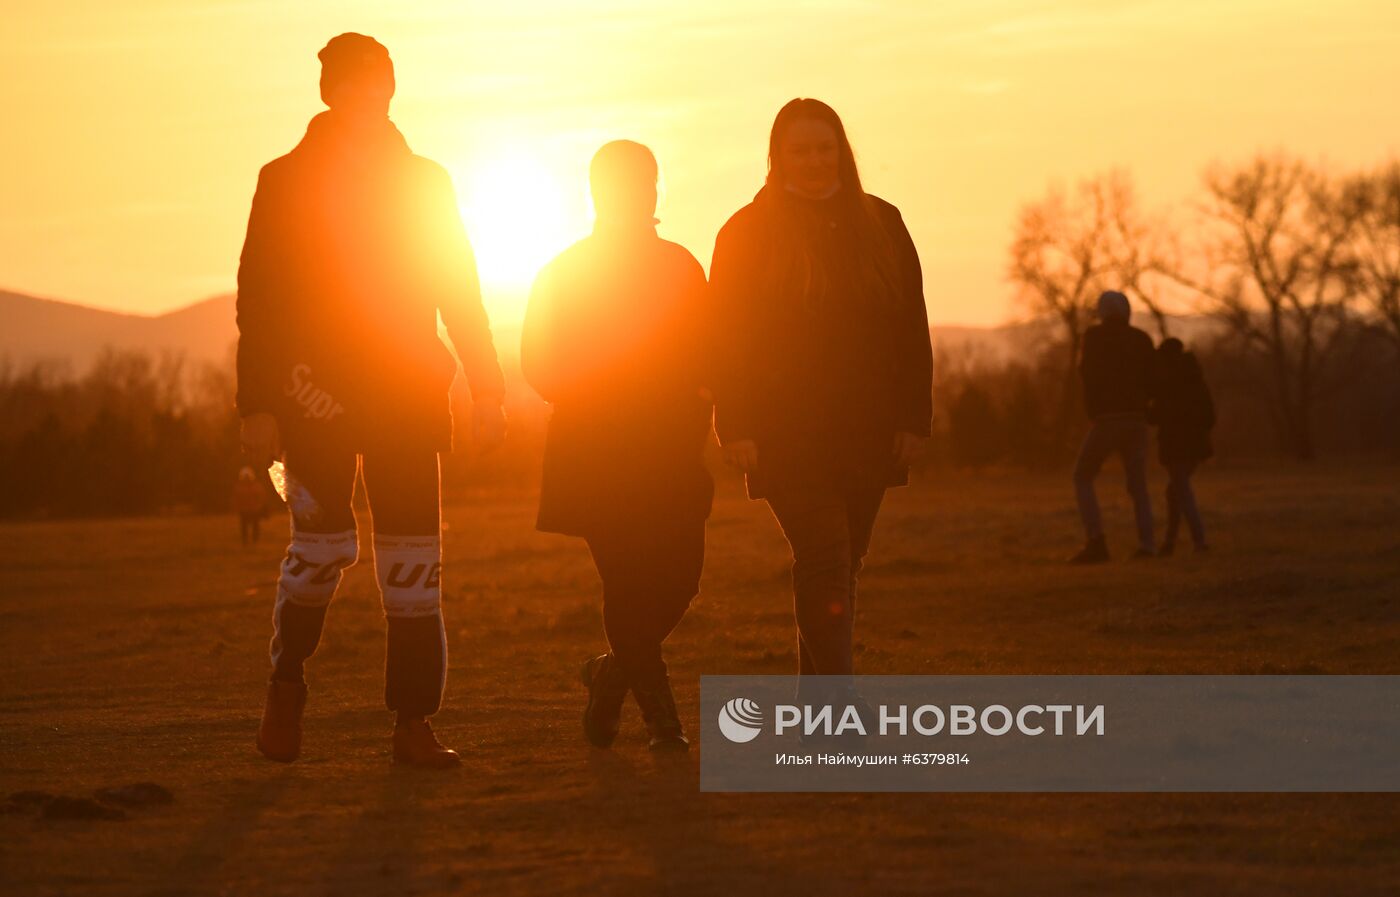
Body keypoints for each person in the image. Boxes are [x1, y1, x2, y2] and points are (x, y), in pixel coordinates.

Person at [236, 34, 507, 767]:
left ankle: (413, 725)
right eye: (348, 82)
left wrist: (487, 384)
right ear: (328, 91)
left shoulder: (426, 181)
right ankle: (285, 685)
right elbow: (258, 299)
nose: (364, 93)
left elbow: (458, 283)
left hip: (406, 398)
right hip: (311, 396)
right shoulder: (283, 179)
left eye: (375, 80)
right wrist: (258, 403)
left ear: (391, 86)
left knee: (414, 568)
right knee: (320, 552)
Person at [708, 98, 932, 697]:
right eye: (799, 149)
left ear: (843, 152)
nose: (813, 160)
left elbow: (912, 326)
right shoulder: (746, 233)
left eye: (824, 147)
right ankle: (837, 711)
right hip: (787, 434)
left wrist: (915, 417)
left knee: (840, 567)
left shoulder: (883, 223)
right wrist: (735, 426)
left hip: (870, 427)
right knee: (828, 561)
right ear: (777, 157)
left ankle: (817, 706)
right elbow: (724, 338)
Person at [521, 141, 711, 752]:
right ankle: (663, 723)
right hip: (597, 455)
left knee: (681, 582)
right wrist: (604, 391)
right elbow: (536, 362)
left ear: (656, 189)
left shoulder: (682, 267)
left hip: (672, 455)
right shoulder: (565, 271)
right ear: (596, 192)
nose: (635, 193)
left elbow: (713, 354)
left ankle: (608, 678)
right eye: (620, 183)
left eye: (644, 182)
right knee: (629, 585)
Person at [1069, 290, 1156, 564]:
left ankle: (1096, 541)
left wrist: (1093, 410)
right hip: (1137, 420)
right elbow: (1153, 377)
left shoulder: (1093, 338)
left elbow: (1086, 374)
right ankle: (1148, 545)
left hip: (1107, 420)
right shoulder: (1142, 339)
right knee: (1138, 485)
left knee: (1082, 476)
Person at [1150, 338, 1214, 554]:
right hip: (1195, 446)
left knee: (1180, 491)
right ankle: (1170, 543)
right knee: (1175, 491)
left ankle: (1198, 541)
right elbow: (1210, 416)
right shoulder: (1196, 380)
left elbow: (1155, 416)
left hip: (1175, 445)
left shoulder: (1169, 383)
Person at [232, 466, 267, 545]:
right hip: (244, 510)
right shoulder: (240, 487)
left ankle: (255, 540)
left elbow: (261, 497)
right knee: (244, 526)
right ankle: (245, 540)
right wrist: (238, 507)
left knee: (255, 525)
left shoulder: (256, 486)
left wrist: (259, 506)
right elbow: (236, 499)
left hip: (254, 509)